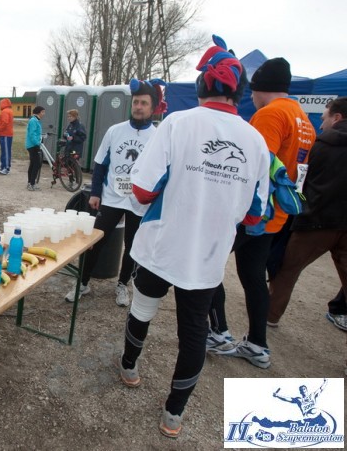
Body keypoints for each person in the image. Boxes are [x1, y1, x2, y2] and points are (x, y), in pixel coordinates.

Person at [118, 35, 269, 438]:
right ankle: (174, 414)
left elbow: (142, 190)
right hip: (207, 257)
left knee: (143, 309)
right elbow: (255, 215)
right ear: (240, 92)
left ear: (202, 85)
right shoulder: (256, 141)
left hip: (161, 246)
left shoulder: (177, 123)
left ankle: (129, 368)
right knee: (194, 334)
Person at [207, 57, 316, 369]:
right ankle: (257, 344)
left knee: (206, 263)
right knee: (253, 276)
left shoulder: (270, 114)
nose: (251, 99)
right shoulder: (303, 119)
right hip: (277, 215)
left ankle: (218, 332)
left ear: (259, 89)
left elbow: (255, 165)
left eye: (252, 92)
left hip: (254, 213)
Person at [63, 80, 165, 306]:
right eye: (136, 102)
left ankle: (122, 285)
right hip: (112, 197)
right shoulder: (115, 131)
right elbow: (100, 164)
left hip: (139, 202)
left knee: (133, 247)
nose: (138, 107)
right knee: (95, 240)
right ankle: (83, 282)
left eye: (144, 103)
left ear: (152, 107)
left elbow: (161, 172)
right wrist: (95, 193)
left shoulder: (158, 136)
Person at [267, 97, 347, 330]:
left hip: (315, 220)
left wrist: (302, 204)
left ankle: (270, 316)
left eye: (324, 118)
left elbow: (302, 186)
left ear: (337, 117)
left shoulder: (320, 145)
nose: (321, 124)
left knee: (287, 270)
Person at [25, 106, 45, 191]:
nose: (44, 114)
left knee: (33, 164)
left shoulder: (36, 120)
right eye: (43, 112)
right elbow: (32, 134)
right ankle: (32, 183)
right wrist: (37, 143)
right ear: (39, 112)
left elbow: (37, 133)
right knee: (36, 164)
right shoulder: (33, 121)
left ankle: (30, 182)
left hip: (33, 144)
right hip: (33, 145)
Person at [0, 98, 14, 175]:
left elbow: (5, 122)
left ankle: (6, 168)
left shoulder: (5, 111)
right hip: (6, 134)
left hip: (5, 134)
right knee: (5, 151)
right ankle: (3, 166)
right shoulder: (9, 110)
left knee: (5, 152)